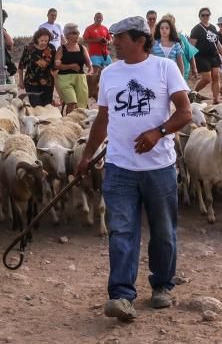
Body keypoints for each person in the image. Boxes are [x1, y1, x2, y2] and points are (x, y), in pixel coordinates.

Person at [75, 16, 191, 322]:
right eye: (113, 37)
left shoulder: (165, 68)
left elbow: (185, 113)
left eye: (120, 37)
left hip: (159, 168)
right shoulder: (110, 74)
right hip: (119, 167)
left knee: (163, 232)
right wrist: (87, 155)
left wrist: (158, 133)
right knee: (121, 231)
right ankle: (121, 295)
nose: (113, 42)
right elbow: (102, 119)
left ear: (140, 39)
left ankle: (162, 285)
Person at [190, 8, 222, 104]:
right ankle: (194, 92)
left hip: (213, 55)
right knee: (207, 79)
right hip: (201, 56)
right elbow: (191, 46)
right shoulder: (196, 29)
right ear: (199, 16)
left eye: (207, 15)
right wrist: (192, 61)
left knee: (216, 76)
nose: (205, 17)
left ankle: (216, 99)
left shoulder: (213, 28)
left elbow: (217, 42)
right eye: (203, 15)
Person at [55, 23, 92, 114]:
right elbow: (56, 66)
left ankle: (78, 123)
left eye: (78, 32)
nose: (77, 34)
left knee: (81, 105)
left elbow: (89, 65)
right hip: (64, 79)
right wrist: (70, 66)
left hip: (80, 78)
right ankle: (68, 123)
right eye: (74, 33)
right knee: (72, 102)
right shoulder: (61, 49)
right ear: (67, 35)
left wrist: (90, 71)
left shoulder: (82, 48)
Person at [17, 27, 57, 106]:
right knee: (36, 106)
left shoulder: (51, 48)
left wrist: (55, 79)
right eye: (42, 40)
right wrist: (20, 81)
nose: (44, 43)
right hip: (31, 82)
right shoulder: (29, 48)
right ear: (37, 39)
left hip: (47, 82)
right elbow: (21, 66)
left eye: (46, 40)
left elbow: (54, 67)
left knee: (47, 106)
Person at [160, 14, 196, 80]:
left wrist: (194, 68)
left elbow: (190, 53)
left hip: (181, 71)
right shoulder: (158, 39)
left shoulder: (181, 38)